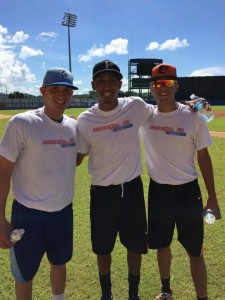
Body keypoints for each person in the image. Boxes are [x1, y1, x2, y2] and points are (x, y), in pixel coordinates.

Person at [76, 60, 158, 300]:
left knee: (135, 246)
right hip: (102, 192)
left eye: (112, 80)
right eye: (101, 81)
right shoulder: (84, 120)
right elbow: (77, 158)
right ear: (93, 85)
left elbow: (164, 110)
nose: (107, 86)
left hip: (131, 188)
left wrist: (192, 107)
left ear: (120, 84)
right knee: (103, 248)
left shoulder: (135, 106)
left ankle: (134, 293)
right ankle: (106, 294)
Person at [140, 63, 221, 300]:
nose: (163, 88)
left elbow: (203, 157)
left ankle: (202, 297)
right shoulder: (145, 115)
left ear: (176, 86)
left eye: (168, 83)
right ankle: (166, 290)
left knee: (196, 251)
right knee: (161, 245)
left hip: (188, 193)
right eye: (158, 84)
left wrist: (212, 199)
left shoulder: (193, 116)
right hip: (159, 193)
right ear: (151, 89)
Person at [0, 67, 79, 300]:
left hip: (63, 213)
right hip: (28, 215)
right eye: (55, 89)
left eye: (67, 90)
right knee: (24, 273)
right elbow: (3, 170)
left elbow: (73, 158)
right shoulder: (21, 123)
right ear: (43, 91)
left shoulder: (73, 126)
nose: (61, 95)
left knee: (59, 262)